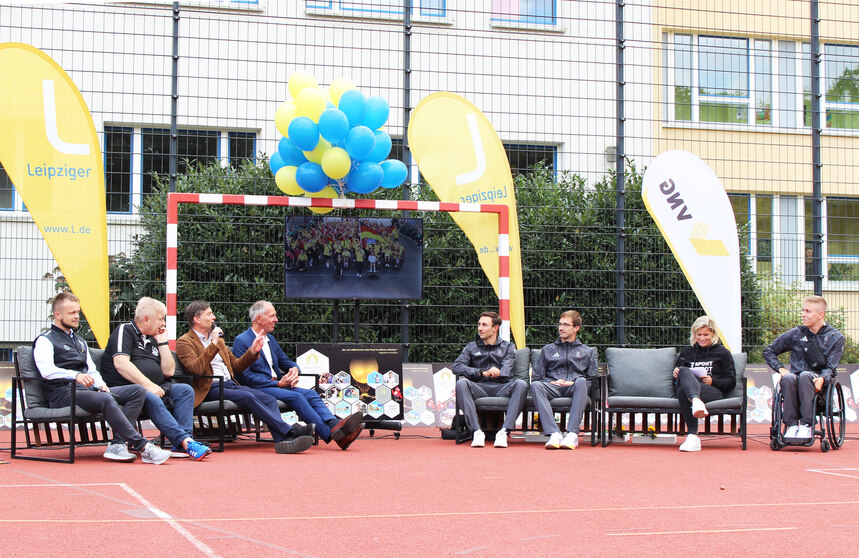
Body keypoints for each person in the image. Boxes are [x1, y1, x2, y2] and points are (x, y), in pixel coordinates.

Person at [33, 292, 171, 464]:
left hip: (88, 391)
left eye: (77, 312)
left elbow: (91, 370)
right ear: (58, 315)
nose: (77, 317)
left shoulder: (80, 342)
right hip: (62, 393)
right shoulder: (45, 340)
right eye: (71, 313)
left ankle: (117, 444)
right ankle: (143, 446)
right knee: (105, 399)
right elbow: (46, 370)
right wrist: (75, 376)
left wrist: (101, 384)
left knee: (137, 391)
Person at [174, 301, 314, 454]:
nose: (213, 317)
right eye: (209, 314)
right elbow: (196, 368)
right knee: (247, 396)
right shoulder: (185, 342)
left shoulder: (218, 341)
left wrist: (253, 351)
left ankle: (282, 440)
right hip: (209, 388)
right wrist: (213, 343)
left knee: (268, 398)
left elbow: (236, 366)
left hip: (230, 385)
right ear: (197, 319)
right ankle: (288, 430)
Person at [232, 301, 364, 450]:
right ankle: (335, 435)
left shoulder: (271, 340)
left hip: (278, 385)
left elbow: (286, 361)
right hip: (259, 388)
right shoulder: (242, 341)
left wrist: (294, 370)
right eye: (272, 316)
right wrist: (277, 384)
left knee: (311, 394)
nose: (276, 319)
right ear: (259, 319)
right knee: (297, 397)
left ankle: (334, 425)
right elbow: (244, 377)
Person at [100, 297, 211, 460]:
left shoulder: (153, 338)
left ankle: (181, 444)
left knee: (185, 390)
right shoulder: (126, 331)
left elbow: (169, 372)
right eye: (160, 319)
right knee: (148, 394)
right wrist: (149, 385)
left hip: (156, 387)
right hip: (129, 389)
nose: (163, 323)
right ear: (146, 319)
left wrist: (162, 342)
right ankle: (186, 442)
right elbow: (121, 363)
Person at [763, 295, 845, 441]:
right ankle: (792, 425)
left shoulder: (836, 337)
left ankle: (807, 425)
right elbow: (769, 351)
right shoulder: (796, 333)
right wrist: (781, 369)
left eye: (808, 311)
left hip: (817, 380)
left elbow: (831, 367)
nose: (803, 314)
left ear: (821, 314)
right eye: (803, 310)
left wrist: (822, 379)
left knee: (806, 375)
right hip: (794, 380)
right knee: (788, 377)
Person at [453, 311, 525, 448]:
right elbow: (457, 367)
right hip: (479, 387)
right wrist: (481, 373)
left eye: (484, 325)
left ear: (495, 328)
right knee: (461, 383)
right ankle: (476, 431)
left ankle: (504, 432)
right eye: (479, 324)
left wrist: (498, 372)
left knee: (520, 384)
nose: (480, 328)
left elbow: (507, 369)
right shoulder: (471, 347)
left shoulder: (508, 347)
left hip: (502, 387)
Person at [530, 310, 597, 450]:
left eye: (566, 325)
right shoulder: (547, 350)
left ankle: (572, 434)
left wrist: (573, 382)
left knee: (582, 381)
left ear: (576, 328)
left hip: (574, 387)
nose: (561, 328)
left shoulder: (587, 351)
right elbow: (537, 377)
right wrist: (550, 382)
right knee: (536, 385)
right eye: (560, 324)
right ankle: (554, 433)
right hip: (553, 387)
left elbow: (592, 381)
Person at [673, 315, 736, 452]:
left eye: (706, 335)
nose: (702, 338)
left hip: (712, 391)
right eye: (699, 335)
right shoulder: (687, 352)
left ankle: (692, 435)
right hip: (690, 391)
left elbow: (731, 381)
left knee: (682, 392)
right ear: (694, 334)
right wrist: (676, 374)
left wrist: (713, 381)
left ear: (713, 334)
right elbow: (676, 382)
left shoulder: (723, 353)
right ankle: (695, 400)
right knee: (683, 373)